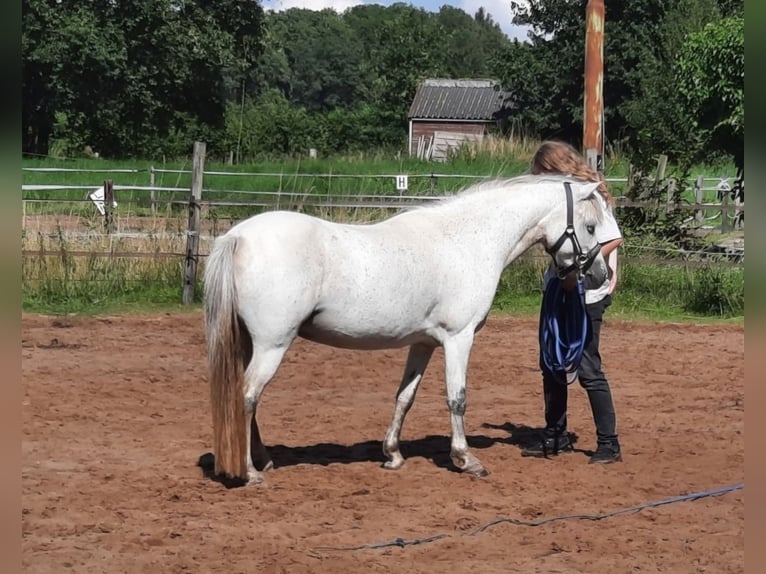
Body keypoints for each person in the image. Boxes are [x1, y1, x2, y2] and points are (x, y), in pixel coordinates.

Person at [521, 140, 624, 464]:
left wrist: (580, 265)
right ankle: (556, 433)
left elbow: (612, 238)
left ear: (556, 168)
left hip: (586, 292)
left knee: (588, 367)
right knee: (550, 363)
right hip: (557, 286)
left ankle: (609, 444)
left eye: (542, 174)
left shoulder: (588, 196)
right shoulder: (558, 202)